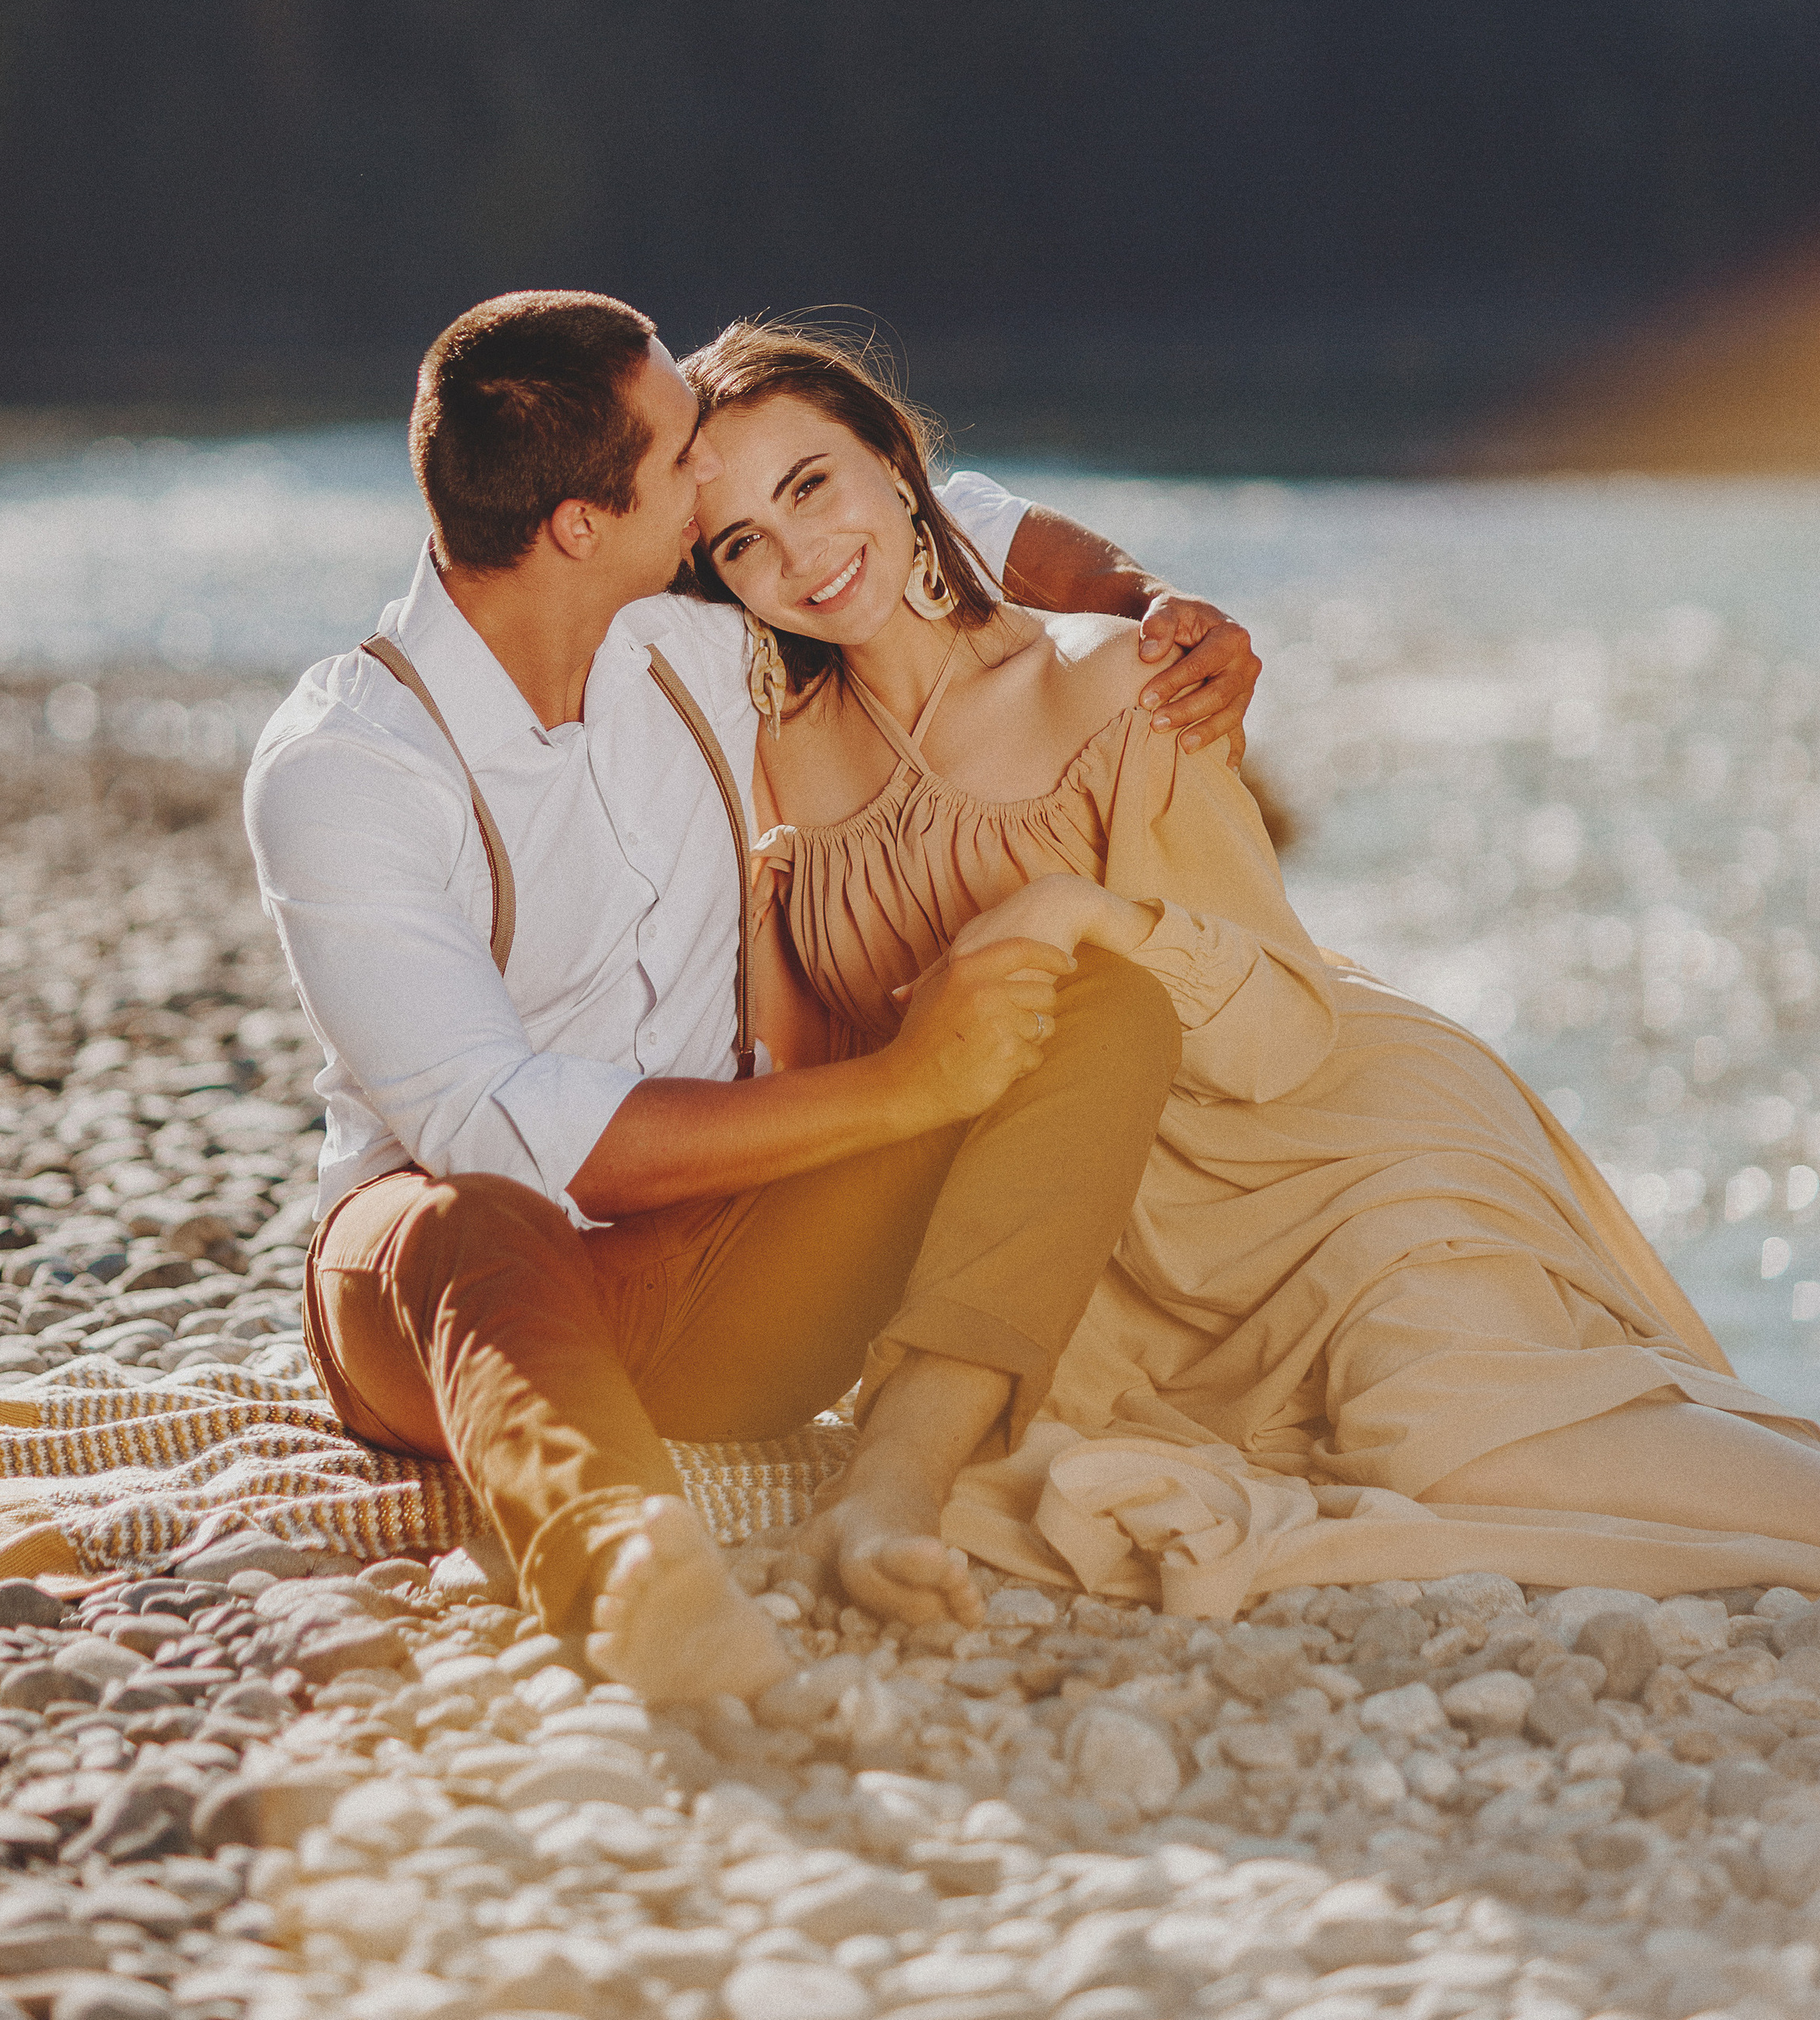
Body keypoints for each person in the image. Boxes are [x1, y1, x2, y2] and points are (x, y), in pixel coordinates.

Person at [686, 318, 1820, 1610]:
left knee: (1453, 1438)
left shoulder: (1120, 681)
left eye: (810, 485)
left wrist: (1084, 910)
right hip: (1089, 1247)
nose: (801, 555)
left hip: (1324, 1159)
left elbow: (1281, 1022)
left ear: (898, 468)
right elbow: (812, 1073)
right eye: (743, 543)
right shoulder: (765, 757)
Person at [244, 289, 1264, 1698]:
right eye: (681, 458)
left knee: (1089, 1001)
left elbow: (924, 506)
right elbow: (494, 1125)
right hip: (460, 1311)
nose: (711, 465)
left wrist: (1149, 603)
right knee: (461, 1213)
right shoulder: (349, 765)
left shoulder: (693, 639)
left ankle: (886, 1492)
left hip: (733, 1279)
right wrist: (899, 1088)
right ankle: (628, 1572)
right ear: (581, 528)